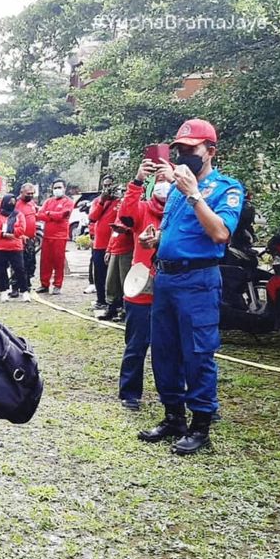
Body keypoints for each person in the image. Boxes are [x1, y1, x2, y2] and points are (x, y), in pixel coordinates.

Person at [137, 119, 243, 454]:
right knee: (164, 351)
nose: (183, 154)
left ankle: (200, 426)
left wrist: (194, 195)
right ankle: (173, 418)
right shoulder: (175, 190)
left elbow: (220, 234)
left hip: (197, 281)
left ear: (210, 151)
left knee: (198, 353)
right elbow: (177, 233)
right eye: (179, 149)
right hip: (166, 279)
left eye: (191, 149)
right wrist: (155, 240)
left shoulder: (226, 188)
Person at [117, 166, 168, 409]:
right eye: (158, 180)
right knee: (136, 345)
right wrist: (137, 181)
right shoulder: (143, 209)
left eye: (167, 179)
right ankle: (130, 393)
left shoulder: (180, 211)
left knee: (168, 347)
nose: (163, 184)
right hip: (141, 289)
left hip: (170, 289)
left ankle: (169, 393)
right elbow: (125, 214)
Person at [102, 178, 136, 321]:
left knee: (124, 281)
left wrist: (126, 230)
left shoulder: (135, 207)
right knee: (111, 281)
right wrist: (109, 249)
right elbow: (113, 232)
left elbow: (136, 228)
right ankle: (111, 307)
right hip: (115, 249)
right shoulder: (119, 209)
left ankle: (124, 309)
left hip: (127, 250)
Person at [0, 193, 34, 301]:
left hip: (15, 247)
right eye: (10, 202)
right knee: (0, 271)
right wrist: (3, 234)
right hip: (0, 248)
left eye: (14, 202)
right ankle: (4, 291)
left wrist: (11, 233)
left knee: (20, 270)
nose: (12, 204)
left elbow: (22, 228)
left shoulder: (19, 215)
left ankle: (24, 291)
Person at [87, 175, 119, 311]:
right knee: (99, 274)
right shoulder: (97, 201)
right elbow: (93, 217)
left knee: (112, 276)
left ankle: (113, 302)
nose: (107, 188)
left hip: (113, 244)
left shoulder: (119, 202)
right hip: (99, 244)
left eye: (109, 185)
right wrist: (102, 202)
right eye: (105, 185)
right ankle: (101, 300)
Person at [37, 180, 74, 294]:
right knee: (45, 262)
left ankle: (57, 285)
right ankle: (44, 284)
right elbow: (39, 215)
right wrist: (52, 215)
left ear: (64, 188)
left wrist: (49, 214)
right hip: (47, 236)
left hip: (60, 237)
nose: (57, 189)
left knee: (58, 262)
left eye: (59, 187)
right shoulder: (48, 201)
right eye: (55, 187)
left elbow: (63, 215)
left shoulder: (68, 202)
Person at [16, 183, 39, 283]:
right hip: (19, 238)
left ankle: (27, 282)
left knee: (30, 262)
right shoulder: (15, 204)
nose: (30, 195)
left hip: (31, 238)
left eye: (32, 193)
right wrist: (20, 235)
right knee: (18, 263)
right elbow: (12, 222)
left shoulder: (32, 203)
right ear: (21, 192)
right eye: (28, 193)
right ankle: (16, 286)